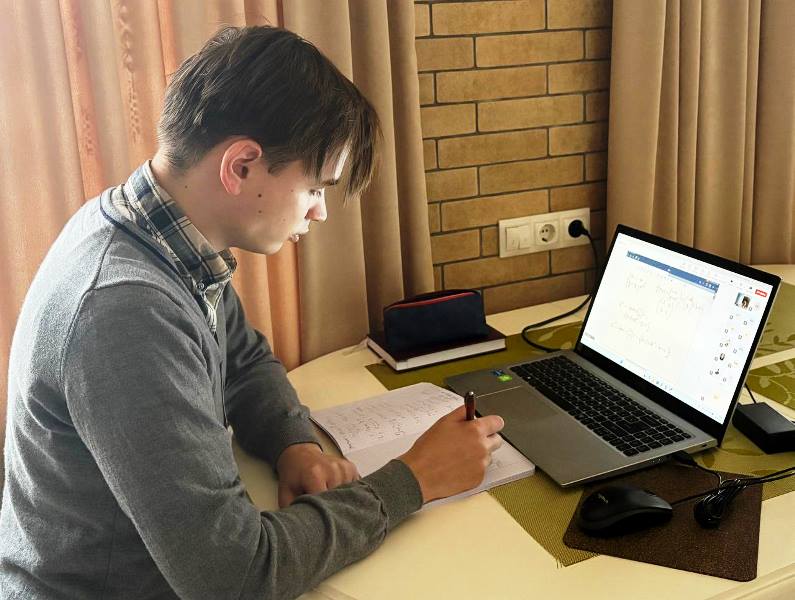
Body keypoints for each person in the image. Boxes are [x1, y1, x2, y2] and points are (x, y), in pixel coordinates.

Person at [0, 26, 504, 599]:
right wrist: (416, 479)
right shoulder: (125, 310)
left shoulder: (153, 232)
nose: (319, 213)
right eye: (314, 188)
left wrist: (294, 444)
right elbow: (235, 577)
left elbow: (242, 360)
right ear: (240, 166)